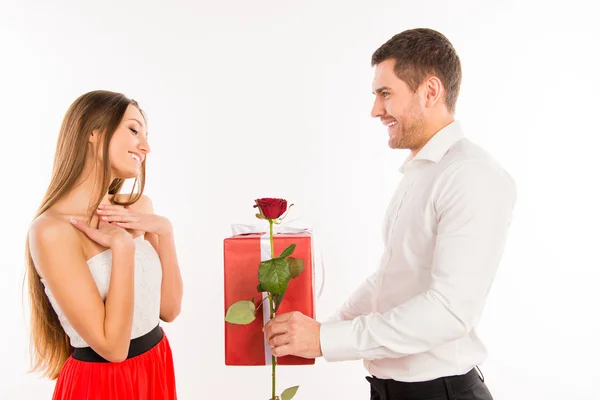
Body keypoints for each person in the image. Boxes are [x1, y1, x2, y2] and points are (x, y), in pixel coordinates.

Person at [263, 28, 517, 400]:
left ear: (430, 91)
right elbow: (392, 276)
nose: (375, 110)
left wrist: (326, 339)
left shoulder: (470, 175)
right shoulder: (422, 170)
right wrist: (319, 330)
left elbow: (449, 311)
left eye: (385, 94)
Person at [25, 90, 182, 399]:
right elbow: (112, 348)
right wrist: (122, 249)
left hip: (156, 367)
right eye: (134, 130)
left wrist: (165, 232)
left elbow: (169, 309)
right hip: (100, 384)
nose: (146, 147)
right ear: (94, 133)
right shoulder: (50, 231)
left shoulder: (139, 209)